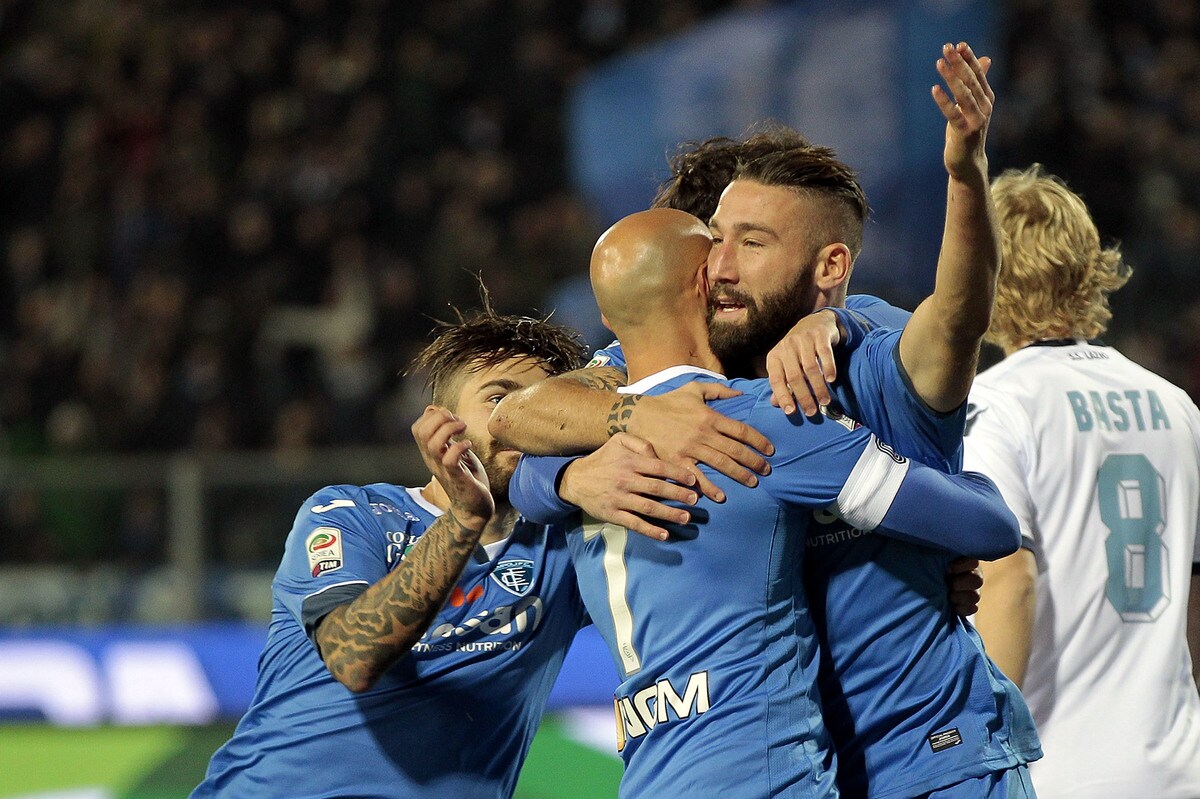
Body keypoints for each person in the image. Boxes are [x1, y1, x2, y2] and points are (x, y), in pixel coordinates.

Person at [497, 42, 1042, 798]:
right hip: (812, 768)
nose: (721, 268)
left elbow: (956, 316)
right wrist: (577, 472)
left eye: (751, 245)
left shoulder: (872, 349)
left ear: (829, 268)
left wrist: (964, 174)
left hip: (930, 757)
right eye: (716, 242)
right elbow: (523, 421)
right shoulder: (683, 379)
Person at [193, 305, 624, 798]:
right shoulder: (351, 513)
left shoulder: (568, 545)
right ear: (442, 421)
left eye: (541, 405)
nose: (520, 422)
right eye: (498, 398)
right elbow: (353, 656)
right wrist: (463, 520)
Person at [964, 166, 1200, 798]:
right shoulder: (1177, 405)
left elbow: (1008, 578)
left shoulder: (996, 406)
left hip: (1061, 772)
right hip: (1179, 767)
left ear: (985, 268)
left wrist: (987, 758)